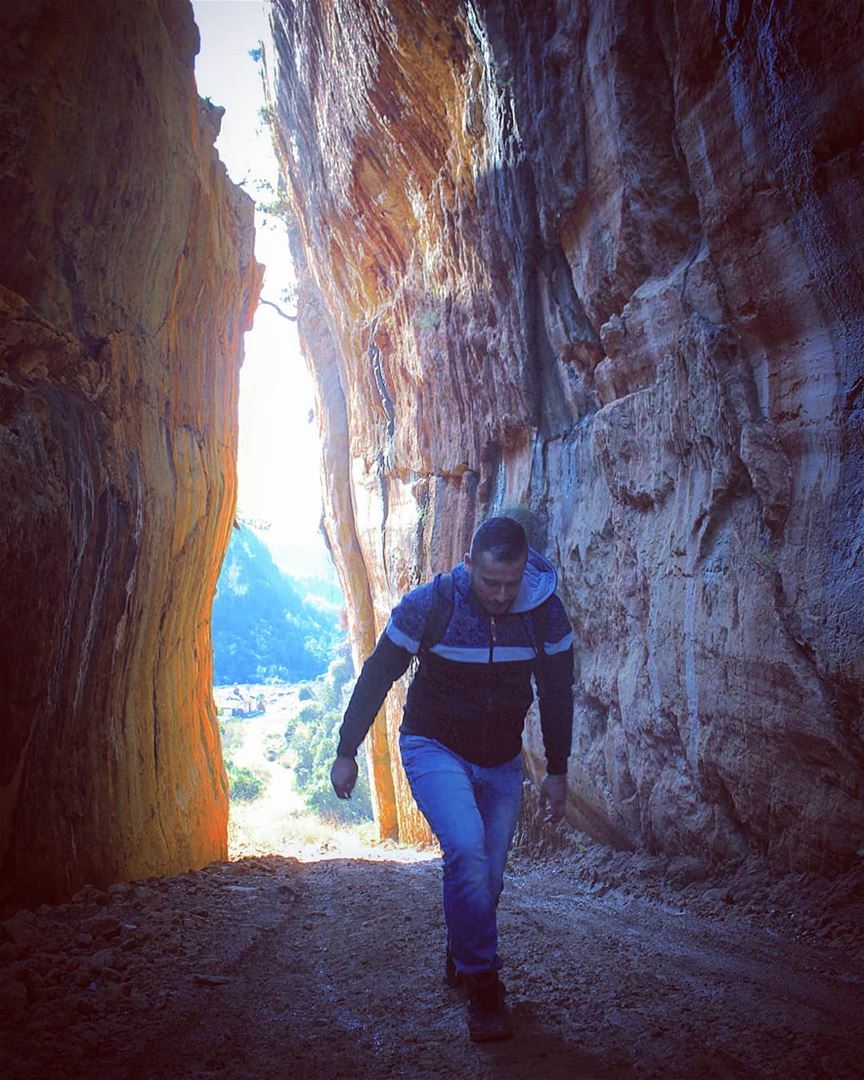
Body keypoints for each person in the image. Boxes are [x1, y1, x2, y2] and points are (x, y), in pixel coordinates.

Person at [330, 516, 574, 1042]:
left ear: (524, 569)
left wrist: (557, 770)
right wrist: (346, 750)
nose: (502, 595)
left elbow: (557, 694)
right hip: (433, 745)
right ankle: (485, 989)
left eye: (512, 583)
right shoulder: (431, 605)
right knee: (466, 850)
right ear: (469, 566)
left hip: (502, 761)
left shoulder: (543, 612)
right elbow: (378, 674)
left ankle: (463, 948)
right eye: (491, 583)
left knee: (489, 879)